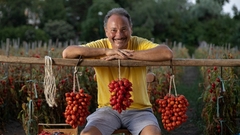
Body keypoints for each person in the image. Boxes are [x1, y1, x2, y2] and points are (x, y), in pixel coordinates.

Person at [62, 7, 173, 135]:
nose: (119, 35)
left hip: (140, 111)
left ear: (131, 29)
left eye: (124, 29)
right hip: (107, 110)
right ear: (106, 31)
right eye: (113, 30)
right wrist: (106, 51)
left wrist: (128, 55)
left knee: (153, 133)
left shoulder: (139, 43)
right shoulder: (100, 46)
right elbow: (67, 53)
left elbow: (166, 53)